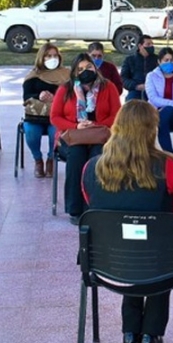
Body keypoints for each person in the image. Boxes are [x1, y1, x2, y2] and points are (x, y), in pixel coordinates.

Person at [81, 100, 173, 343]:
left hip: (106, 263)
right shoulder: (169, 167)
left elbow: (93, 206)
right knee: (160, 245)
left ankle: (130, 332)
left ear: (118, 126)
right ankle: (151, 334)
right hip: (159, 264)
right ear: (152, 129)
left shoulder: (91, 168)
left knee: (129, 242)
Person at [50, 52, 121, 224]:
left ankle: (94, 207)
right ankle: (75, 210)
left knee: (97, 158)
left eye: (89, 67)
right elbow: (55, 117)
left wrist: (96, 124)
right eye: (80, 69)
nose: (85, 71)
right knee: (76, 156)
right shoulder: (65, 89)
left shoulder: (108, 86)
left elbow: (117, 115)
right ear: (75, 72)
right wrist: (76, 126)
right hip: (72, 137)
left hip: (100, 136)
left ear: (95, 67)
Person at [23, 43, 70, 178]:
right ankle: (38, 160)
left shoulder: (66, 75)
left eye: (55, 55)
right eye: (48, 56)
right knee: (31, 133)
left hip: (57, 115)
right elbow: (26, 96)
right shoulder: (33, 75)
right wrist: (39, 96)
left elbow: (72, 96)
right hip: (35, 116)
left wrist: (56, 98)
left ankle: (51, 159)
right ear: (41, 58)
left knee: (55, 132)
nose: (52, 58)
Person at [120, 35, 158, 101]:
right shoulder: (129, 60)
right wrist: (136, 86)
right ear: (140, 46)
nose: (151, 46)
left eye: (152, 44)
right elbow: (123, 79)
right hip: (135, 91)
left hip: (153, 91)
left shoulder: (157, 60)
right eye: (148, 44)